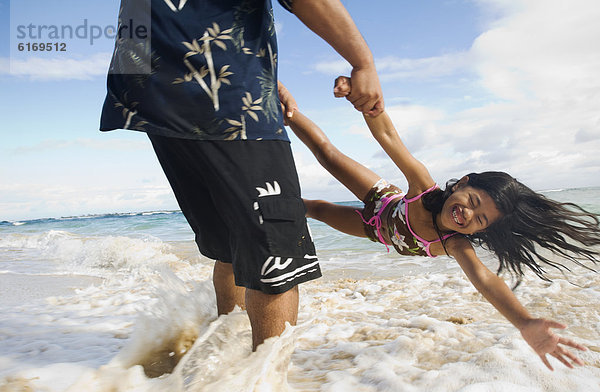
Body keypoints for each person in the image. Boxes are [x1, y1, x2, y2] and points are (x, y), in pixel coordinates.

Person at [99, 0, 383, 351]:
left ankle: (224, 363)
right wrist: (363, 62)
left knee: (232, 245)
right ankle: (265, 385)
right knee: (276, 258)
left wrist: (262, 74)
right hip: (221, 94)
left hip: (152, 89)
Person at [278, 77, 600, 371]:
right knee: (328, 154)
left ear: (481, 231)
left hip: (374, 230)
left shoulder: (454, 243)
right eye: (472, 202)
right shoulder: (424, 188)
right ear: (461, 183)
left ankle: (263, 206)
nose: (467, 215)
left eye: (480, 220)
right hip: (385, 200)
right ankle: (284, 109)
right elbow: (390, 138)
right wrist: (367, 105)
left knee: (314, 209)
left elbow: (486, 281)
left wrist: (524, 322)